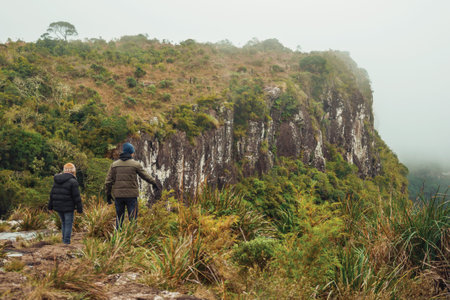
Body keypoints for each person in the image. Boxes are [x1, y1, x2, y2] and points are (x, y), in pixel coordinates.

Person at [105, 142, 159, 229]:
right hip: (131, 196)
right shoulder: (135, 164)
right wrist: (154, 183)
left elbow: (108, 182)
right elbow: (145, 176)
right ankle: (132, 238)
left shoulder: (114, 165)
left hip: (119, 196)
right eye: (133, 152)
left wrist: (108, 195)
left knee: (119, 218)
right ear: (130, 153)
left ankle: (118, 238)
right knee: (133, 219)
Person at [48, 163, 83, 245]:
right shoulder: (73, 181)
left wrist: (50, 207)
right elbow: (76, 197)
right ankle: (66, 242)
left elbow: (52, 194)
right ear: (73, 170)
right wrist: (79, 208)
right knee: (68, 223)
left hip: (58, 206)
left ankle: (64, 240)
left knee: (63, 222)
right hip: (68, 206)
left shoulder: (56, 179)